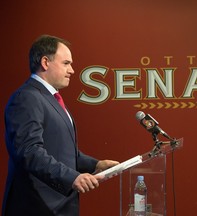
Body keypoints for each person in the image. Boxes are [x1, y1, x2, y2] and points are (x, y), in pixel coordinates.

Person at [2, 35, 119, 216]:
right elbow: (29, 151)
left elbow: (59, 151)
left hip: (58, 207)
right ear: (45, 62)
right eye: (66, 63)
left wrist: (96, 164)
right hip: (37, 207)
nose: (72, 70)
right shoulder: (27, 98)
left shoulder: (50, 99)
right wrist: (72, 177)